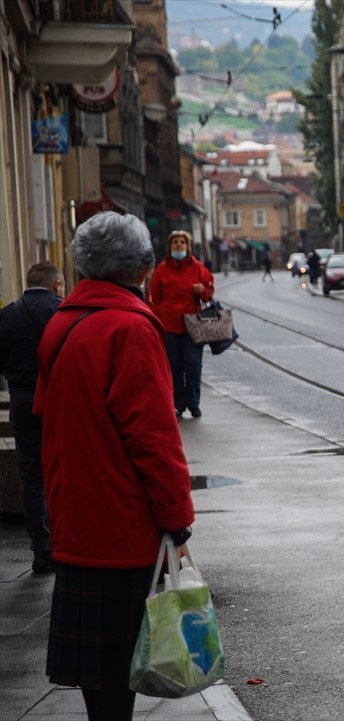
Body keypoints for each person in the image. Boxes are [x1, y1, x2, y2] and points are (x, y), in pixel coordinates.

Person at [35, 212, 195, 721]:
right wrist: (177, 516)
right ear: (141, 268)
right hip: (122, 522)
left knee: (94, 672)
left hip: (73, 515)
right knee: (121, 663)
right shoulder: (130, 328)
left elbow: (46, 415)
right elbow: (153, 436)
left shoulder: (62, 322)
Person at [0, 261, 65, 573]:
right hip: (59, 399)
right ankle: (68, 543)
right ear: (56, 285)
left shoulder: (7, 315)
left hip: (22, 398)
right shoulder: (64, 312)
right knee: (65, 469)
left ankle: (42, 548)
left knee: (30, 474)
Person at [149, 230, 214, 419]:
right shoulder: (161, 270)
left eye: (182, 243)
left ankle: (193, 403)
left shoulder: (197, 267)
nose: (179, 245)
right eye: (175, 242)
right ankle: (177, 405)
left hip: (192, 325)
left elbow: (209, 290)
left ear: (188, 246)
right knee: (173, 366)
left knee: (193, 364)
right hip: (169, 325)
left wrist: (202, 290)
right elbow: (155, 298)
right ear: (170, 247)